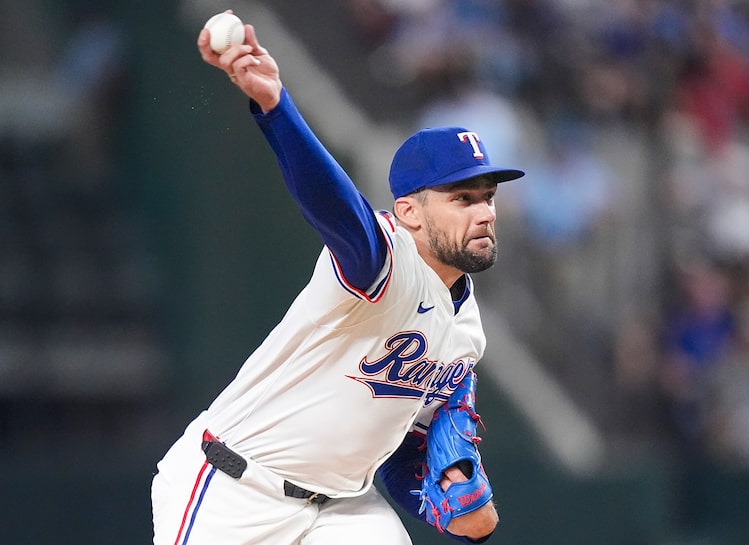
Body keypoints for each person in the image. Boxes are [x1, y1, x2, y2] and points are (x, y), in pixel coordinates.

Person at [150, 13, 525, 545]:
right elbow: (333, 204)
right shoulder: (382, 259)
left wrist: (451, 489)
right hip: (234, 489)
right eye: (462, 198)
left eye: (487, 197)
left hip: (345, 509)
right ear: (408, 212)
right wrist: (277, 108)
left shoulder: (467, 335)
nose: (484, 212)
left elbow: (399, 452)